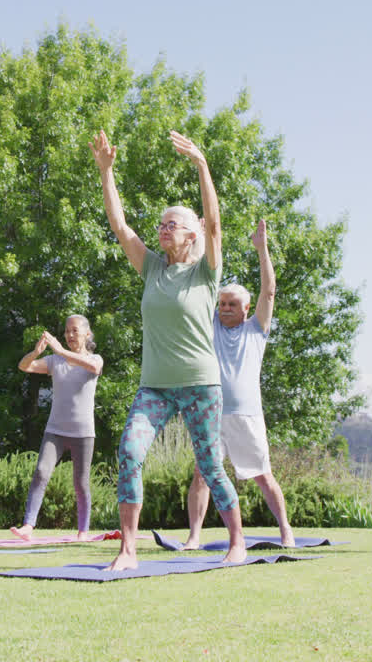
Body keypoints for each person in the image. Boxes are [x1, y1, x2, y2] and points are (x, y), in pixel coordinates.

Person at [91, 129, 247, 571]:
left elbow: (215, 224)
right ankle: (128, 550)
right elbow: (120, 226)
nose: (163, 229)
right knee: (129, 451)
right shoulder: (152, 268)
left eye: (172, 224)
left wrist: (202, 164)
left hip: (200, 386)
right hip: (155, 388)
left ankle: (237, 542)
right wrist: (106, 172)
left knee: (210, 466)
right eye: (160, 224)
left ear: (192, 233)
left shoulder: (206, 272)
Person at [183, 219, 296, 549]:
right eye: (222, 304)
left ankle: (286, 531)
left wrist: (262, 249)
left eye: (232, 304)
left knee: (262, 475)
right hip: (211, 414)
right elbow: (200, 284)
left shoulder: (256, 329)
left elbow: (269, 291)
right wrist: (199, 240)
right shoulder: (212, 326)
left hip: (247, 415)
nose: (226, 308)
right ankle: (193, 537)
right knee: (202, 474)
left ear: (246, 308)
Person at [11, 315, 104, 541]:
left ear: (87, 334)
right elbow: (24, 366)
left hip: (83, 433)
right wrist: (36, 351)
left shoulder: (95, 359)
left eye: (74, 331)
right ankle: (28, 526)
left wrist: (60, 350)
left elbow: (94, 367)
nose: (69, 335)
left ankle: (83, 531)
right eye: (66, 331)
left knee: (80, 483)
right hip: (55, 431)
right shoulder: (55, 361)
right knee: (41, 472)